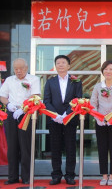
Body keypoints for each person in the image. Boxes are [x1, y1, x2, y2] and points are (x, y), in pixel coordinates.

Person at [0, 58, 41, 185]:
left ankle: (26, 177)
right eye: (16, 69)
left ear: (26, 68)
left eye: (21, 69)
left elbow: (36, 96)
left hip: (26, 113)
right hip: (11, 113)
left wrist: (24, 108)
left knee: (25, 146)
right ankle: (12, 176)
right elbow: (2, 96)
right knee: (12, 146)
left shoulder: (34, 79)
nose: (18, 71)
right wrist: (9, 104)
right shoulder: (9, 80)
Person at [44, 55, 82, 185]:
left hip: (70, 119)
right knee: (55, 148)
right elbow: (46, 101)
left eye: (63, 62)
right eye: (58, 63)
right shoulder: (50, 82)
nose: (60, 65)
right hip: (54, 120)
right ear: (55, 66)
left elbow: (78, 99)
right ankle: (56, 175)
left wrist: (67, 114)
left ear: (69, 66)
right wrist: (56, 115)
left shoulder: (76, 81)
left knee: (71, 147)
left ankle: (70, 175)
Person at [90, 60, 112, 186]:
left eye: (111, 69)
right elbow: (93, 104)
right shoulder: (97, 87)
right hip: (100, 122)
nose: (108, 71)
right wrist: (99, 117)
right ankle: (104, 175)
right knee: (102, 149)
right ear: (103, 71)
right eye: (106, 69)